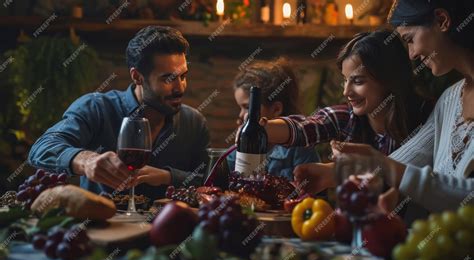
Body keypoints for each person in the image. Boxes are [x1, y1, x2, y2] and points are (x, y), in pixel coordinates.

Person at [28, 26, 210, 200]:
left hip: (171, 229)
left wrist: (167, 176)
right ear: (137, 77)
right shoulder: (97, 107)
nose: (180, 88)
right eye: (168, 79)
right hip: (104, 228)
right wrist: (86, 161)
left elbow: (208, 181)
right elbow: (41, 149)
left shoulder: (194, 122)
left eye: (183, 76)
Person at [331, 0, 474, 217]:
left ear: (442, 21)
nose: (412, 55)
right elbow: (405, 159)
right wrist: (330, 172)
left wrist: (379, 164)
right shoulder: (450, 100)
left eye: (410, 39)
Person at [251, 31, 432, 196]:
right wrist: (262, 129)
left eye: (358, 81)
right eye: (345, 81)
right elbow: (305, 126)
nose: (346, 92)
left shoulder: (424, 118)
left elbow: (414, 181)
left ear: (389, 79)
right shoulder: (348, 118)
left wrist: (334, 173)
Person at [227, 58, 320, 181]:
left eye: (247, 107)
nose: (241, 115)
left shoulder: (300, 151)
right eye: (240, 108)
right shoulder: (237, 151)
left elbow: (312, 196)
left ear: (276, 109)